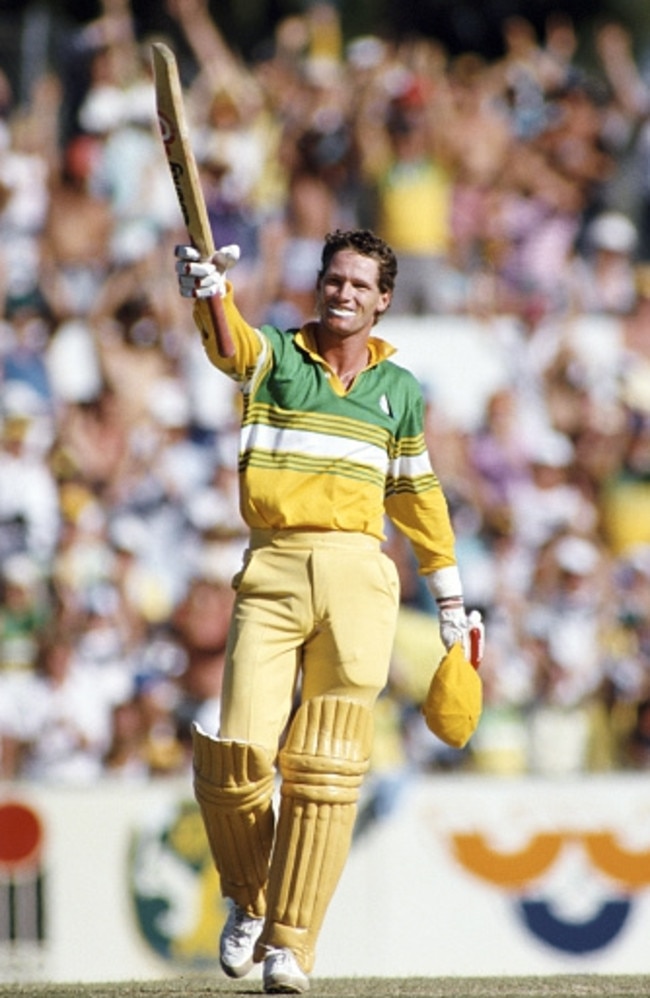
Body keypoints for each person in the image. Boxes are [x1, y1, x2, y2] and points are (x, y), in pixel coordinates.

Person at [173, 227, 483, 994]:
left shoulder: (399, 391)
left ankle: (291, 945)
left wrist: (448, 596)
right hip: (274, 565)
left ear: (384, 300)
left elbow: (415, 494)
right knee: (238, 755)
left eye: (358, 285)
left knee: (328, 767)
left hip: (359, 574)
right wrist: (210, 293)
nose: (342, 292)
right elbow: (230, 347)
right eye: (333, 279)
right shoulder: (278, 354)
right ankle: (250, 897)